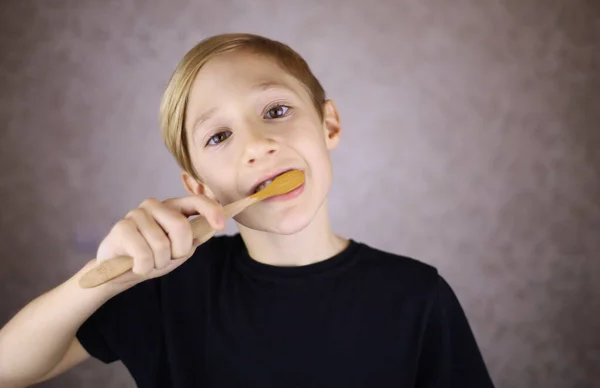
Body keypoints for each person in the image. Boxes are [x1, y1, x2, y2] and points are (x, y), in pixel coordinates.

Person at [0, 33, 494, 387]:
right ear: (200, 186)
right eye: (219, 136)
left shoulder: (416, 294)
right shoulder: (166, 289)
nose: (257, 145)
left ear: (329, 126)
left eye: (276, 112)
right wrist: (109, 277)